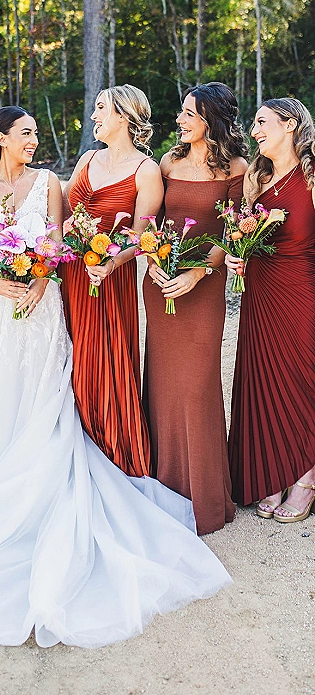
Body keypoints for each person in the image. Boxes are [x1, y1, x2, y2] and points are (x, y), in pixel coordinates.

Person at [0, 105, 231, 649]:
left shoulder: (51, 182)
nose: (34, 141)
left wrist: (35, 278)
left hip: (43, 302)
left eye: (34, 133)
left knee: (46, 392)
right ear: (2, 137)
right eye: (26, 133)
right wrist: (0, 280)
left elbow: (57, 240)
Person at [143, 82, 249, 535]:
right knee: (163, 383)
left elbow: (233, 235)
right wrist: (152, 262)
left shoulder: (238, 167)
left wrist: (197, 274)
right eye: (182, 112)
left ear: (212, 119)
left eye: (189, 114)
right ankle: (163, 489)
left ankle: (204, 497)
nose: (180, 120)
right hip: (161, 284)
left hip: (203, 286)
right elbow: (154, 221)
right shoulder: (168, 162)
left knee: (198, 384)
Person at [61, 85, 163, 477]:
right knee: (70, 357)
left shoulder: (146, 170)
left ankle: (112, 450)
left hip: (109, 278)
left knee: (103, 359)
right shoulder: (87, 157)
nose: (94, 116)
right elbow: (66, 214)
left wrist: (111, 262)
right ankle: (74, 449)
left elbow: (141, 236)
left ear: (123, 115)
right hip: (73, 273)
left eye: (101, 109)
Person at [227, 98, 315, 522]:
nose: (255, 130)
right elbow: (243, 234)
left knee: (301, 379)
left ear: (291, 124)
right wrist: (234, 257)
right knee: (265, 378)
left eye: (262, 122)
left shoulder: (312, 175)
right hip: (258, 292)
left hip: (301, 290)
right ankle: (273, 470)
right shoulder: (255, 178)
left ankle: (306, 476)